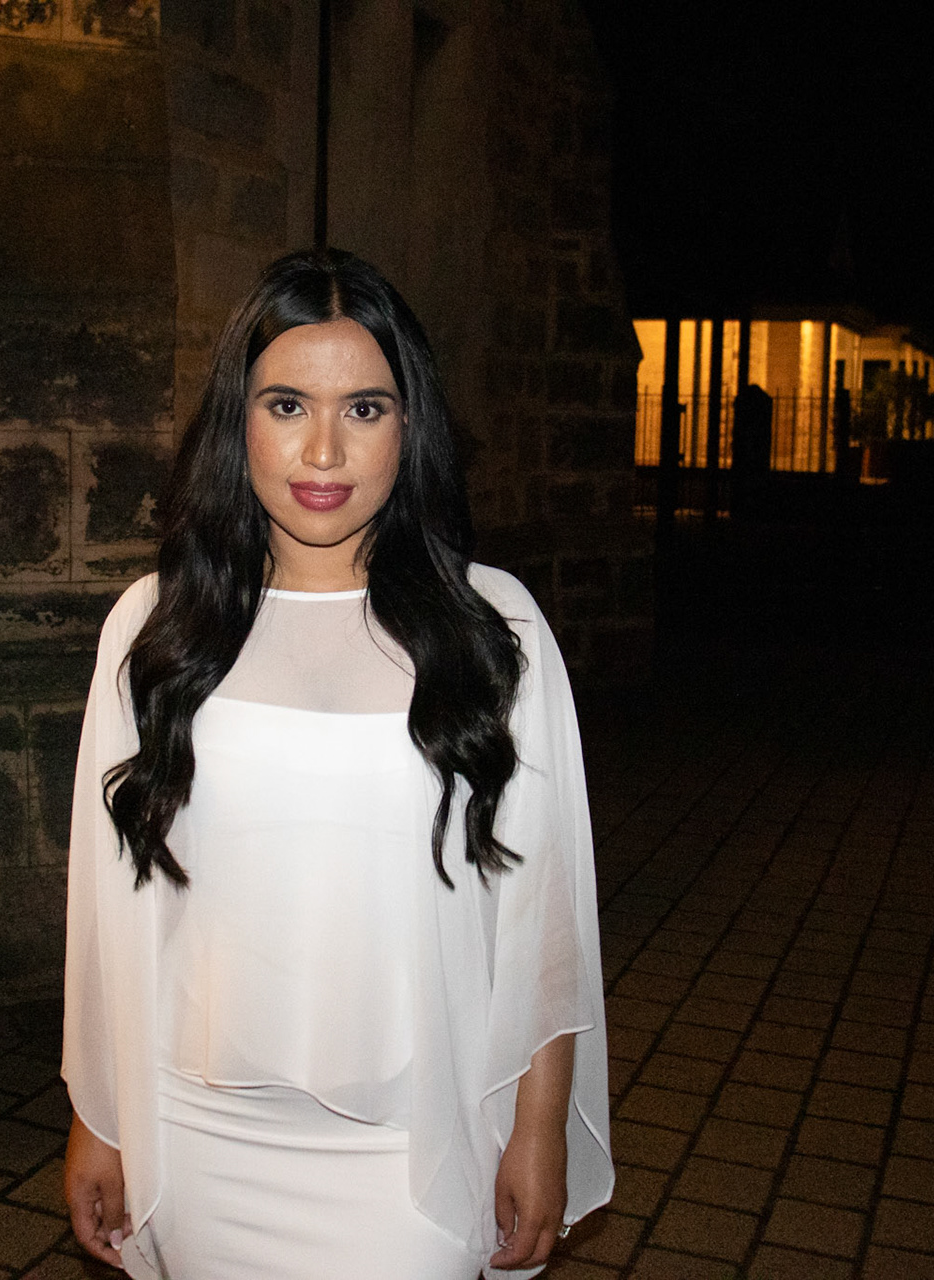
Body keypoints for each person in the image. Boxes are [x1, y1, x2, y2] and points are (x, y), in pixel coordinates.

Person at [62, 249, 611, 1280]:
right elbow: (110, 897)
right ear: (238, 423)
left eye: (364, 408)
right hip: (198, 1133)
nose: (323, 449)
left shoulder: (492, 629)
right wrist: (100, 1117)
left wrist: (537, 1127)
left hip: (415, 1142)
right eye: (286, 405)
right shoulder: (157, 626)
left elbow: (543, 910)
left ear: (411, 425)